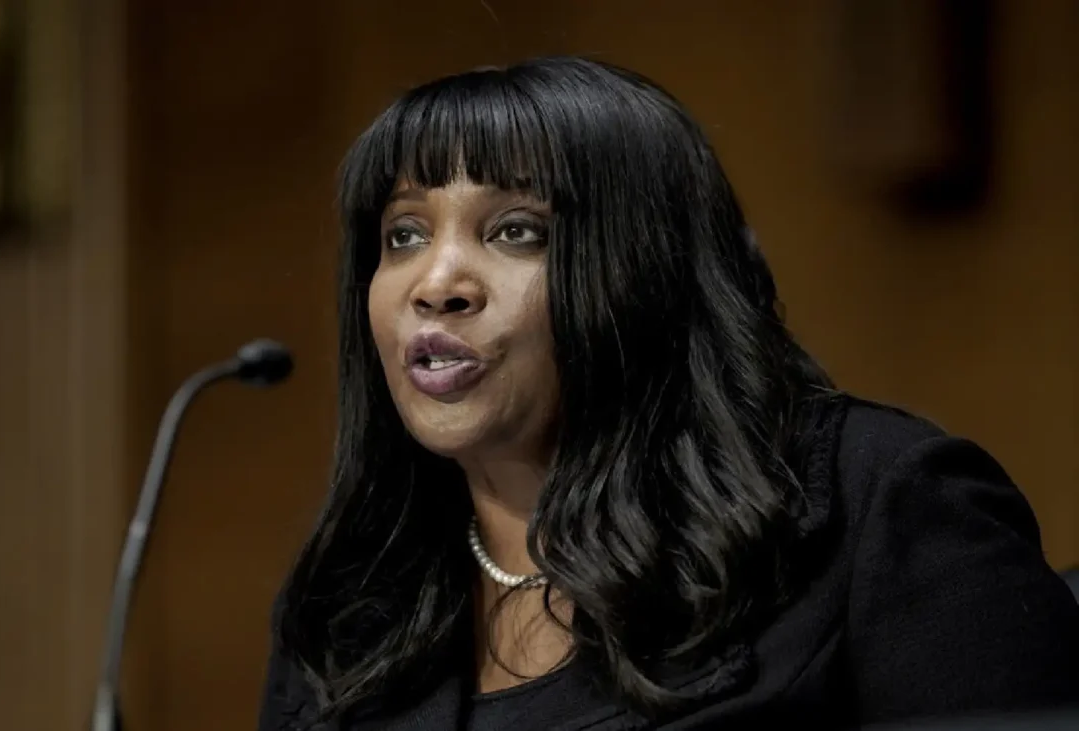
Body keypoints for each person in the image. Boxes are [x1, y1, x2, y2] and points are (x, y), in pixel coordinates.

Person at [258, 56, 1079, 730]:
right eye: (403, 234)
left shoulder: (873, 507)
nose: (436, 284)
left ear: (646, 269)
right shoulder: (349, 604)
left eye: (516, 231)